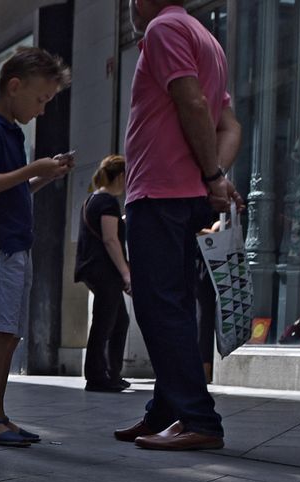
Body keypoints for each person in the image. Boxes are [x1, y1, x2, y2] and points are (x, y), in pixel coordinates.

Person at [112, 0, 242, 451]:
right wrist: (216, 178)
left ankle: (199, 419)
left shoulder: (164, 29)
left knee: (158, 306)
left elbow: (190, 100)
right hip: (183, 195)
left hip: (160, 192)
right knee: (176, 304)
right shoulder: (206, 38)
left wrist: (212, 176)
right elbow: (230, 126)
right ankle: (163, 413)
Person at [0, 48, 74, 447]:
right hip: (0, 249)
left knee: (9, 335)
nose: (43, 110)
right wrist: (34, 168)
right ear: (14, 86)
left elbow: (12, 190)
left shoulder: (9, 130)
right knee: (1, 334)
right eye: (40, 99)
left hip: (13, 246)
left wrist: (45, 175)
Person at [75, 154, 133, 392]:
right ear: (120, 176)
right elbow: (110, 240)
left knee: (118, 320)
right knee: (105, 323)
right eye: (127, 177)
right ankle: (98, 376)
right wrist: (126, 274)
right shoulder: (108, 202)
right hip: (103, 270)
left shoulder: (92, 200)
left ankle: (109, 373)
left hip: (92, 268)